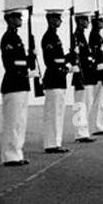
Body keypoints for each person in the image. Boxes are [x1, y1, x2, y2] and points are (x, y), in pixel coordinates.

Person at [0, 8, 31, 166]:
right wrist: (25, 63)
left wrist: (29, 59)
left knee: (20, 121)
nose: (21, 19)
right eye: (17, 17)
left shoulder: (16, 37)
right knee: (12, 121)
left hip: (21, 83)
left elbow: (21, 61)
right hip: (13, 82)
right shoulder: (7, 38)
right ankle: (9, 155)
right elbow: (10, 63)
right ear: (10, 19)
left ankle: (17, 152)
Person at [41, 9, 71, 152]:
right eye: (57, 18)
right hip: (53, 77)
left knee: (58, 112)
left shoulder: (55, 37)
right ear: (51, 19)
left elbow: (59, 58)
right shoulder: (48, 37)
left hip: (59, 78)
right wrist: (64, 63)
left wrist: (67, 58)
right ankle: (51, 143)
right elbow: (50, 60)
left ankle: (55, 142)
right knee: (53, 113)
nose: (60, 21)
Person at [71, 11, 94, 143]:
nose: (87, 22)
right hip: (80, 74)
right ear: (79, 21)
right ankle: (79, 132)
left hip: (86, 74)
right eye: (85, 20)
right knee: (80, 104)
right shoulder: (76, 37)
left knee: (85, 103)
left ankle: (84, 130)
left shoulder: (82, 36)